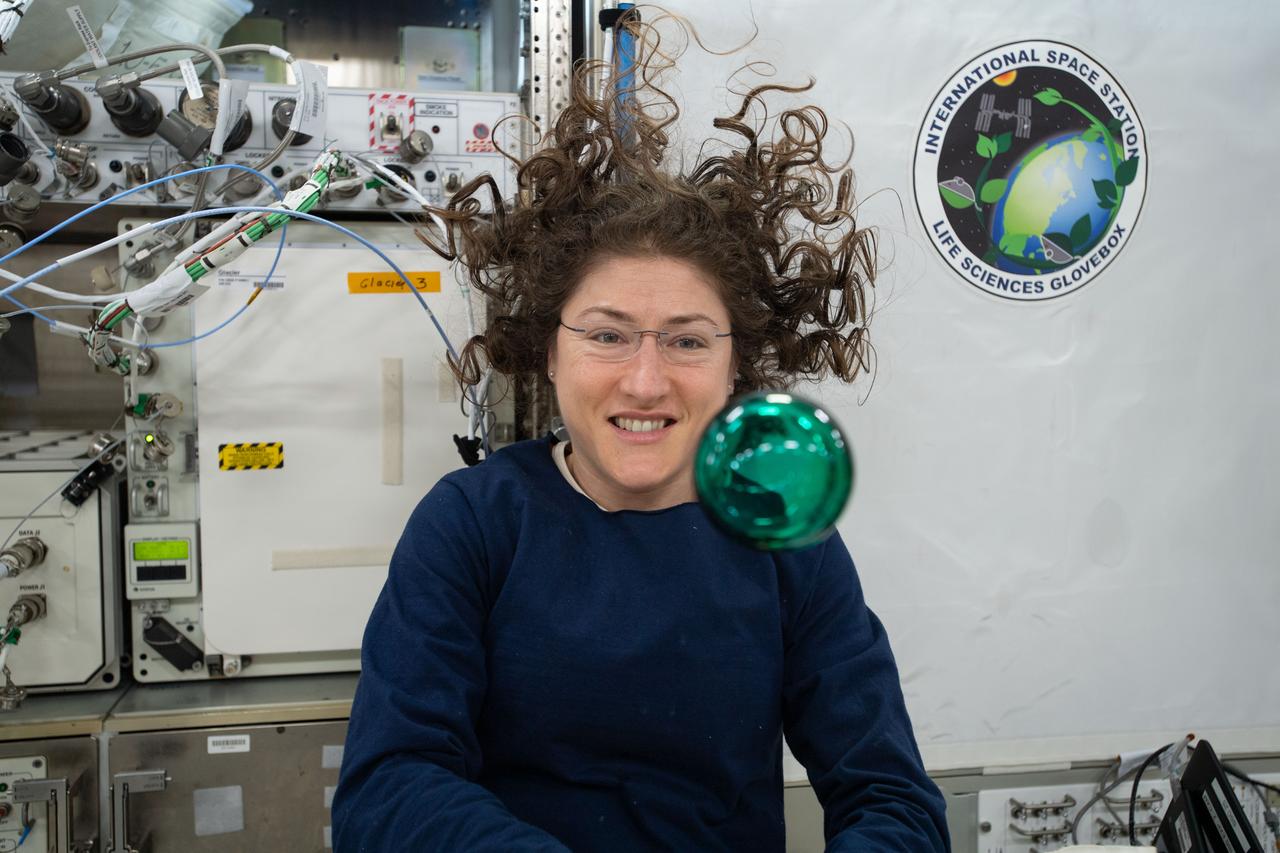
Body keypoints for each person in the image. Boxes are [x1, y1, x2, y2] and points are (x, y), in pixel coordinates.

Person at [332, 14, 949, 851]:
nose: (647, 379)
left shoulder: (784, 540)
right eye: (608, 333)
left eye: (688, 340)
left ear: (740, 366)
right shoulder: (473, 524)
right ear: (548, 348)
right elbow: (389, 788)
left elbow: (892, 798)